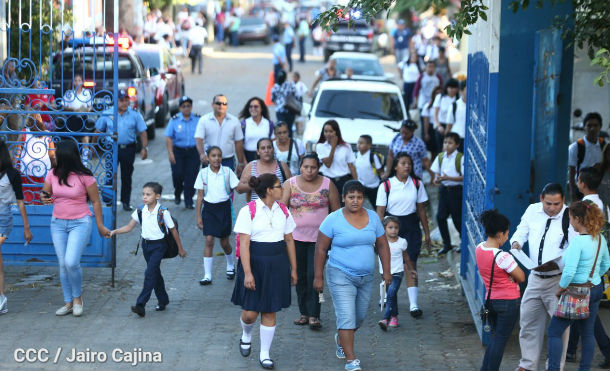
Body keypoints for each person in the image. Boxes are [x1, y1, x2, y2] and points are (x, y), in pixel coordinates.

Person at [313, 180, 392, 371]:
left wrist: (387, 272)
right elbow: (321, 249)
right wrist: (318, 276)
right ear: (343, 198)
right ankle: (351, 360)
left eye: (359, 197)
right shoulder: (333, 219)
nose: (355, 201)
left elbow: (382, 245)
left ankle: (341, 337)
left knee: (360, 317)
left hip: (366, 276)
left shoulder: (373, 218)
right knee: (347, 316)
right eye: (351, 197)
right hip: (340, 274)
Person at [231, 173, 297, 370]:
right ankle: (246, 334)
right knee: (250, 313)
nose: (283, 189)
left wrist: (294, 268)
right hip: (255, 262)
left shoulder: (283, 210)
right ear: (269, 190)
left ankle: (265, 354)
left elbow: (289, 239)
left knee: (270, 309)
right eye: (279, 186)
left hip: (277, 263)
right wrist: (248, 273)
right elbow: (244, 244)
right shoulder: (248, 211)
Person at [40, 141, 111, 317]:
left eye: (57, 153)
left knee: (71, 262)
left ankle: (78, 298)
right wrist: (44, 198)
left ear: (67, 156)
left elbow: (95, 201)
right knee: (63, 264)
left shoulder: (85, 176)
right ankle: (68, 302)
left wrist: (100, 226)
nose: (54, 156)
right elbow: (45, 193)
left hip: (80, 222)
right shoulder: (52, 174)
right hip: (57, 223)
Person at [511, 183, 576, 371]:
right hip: (535, 277)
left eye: (557, 204)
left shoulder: (569, 216)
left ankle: (555, 366)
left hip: (558, 280)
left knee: (560, 328)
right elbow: (521, 231)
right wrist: (516, 242)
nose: (552, 208)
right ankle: (528, 364)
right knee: (528, 321)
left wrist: (560, 263)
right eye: (548, 203)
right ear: (541, 199)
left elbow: (574, 249)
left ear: (563, 200)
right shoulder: (532, 210)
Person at [546, 201, 610, 371]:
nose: (570, 222)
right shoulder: (600, 239)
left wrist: (560, 288)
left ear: (578, 219)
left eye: (571, 219)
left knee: (554, 331)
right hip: (595, 287)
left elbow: (569, 271)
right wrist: (594, 276)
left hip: (576, 291)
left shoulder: (577, 243)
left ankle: (552, 368)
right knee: (587, 333)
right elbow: (606, 264)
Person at [281, 153, 340, 329]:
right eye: (306, 167)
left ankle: (315, 314)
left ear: (318, 168)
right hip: (295, 238)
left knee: (315, 276)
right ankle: (304, 313)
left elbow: (336, 213)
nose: (309, 170)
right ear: (300, 167)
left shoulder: (328, 184)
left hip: (319, 240)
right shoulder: (290, 184)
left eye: (313, 167)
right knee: (299, 276)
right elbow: (282, 209)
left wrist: (336, 237)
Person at [110, 182, 186, 317]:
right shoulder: (140, 210)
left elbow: (173, 230)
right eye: (143, 194)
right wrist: (114, 231)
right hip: (146, 246)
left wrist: (180, 248)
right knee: (154, 273)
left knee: (149, 273)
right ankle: (163, 300)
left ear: (157, 196)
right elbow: (129, 227)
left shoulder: (163, 212)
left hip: (159, 246)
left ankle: (141, 304)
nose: (145, 197)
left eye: (148, 194)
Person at [376, 152, 431, 318]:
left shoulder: (417, 184)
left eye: (409, 163)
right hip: (391, 225)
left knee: (410, 263)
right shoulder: (386, 185)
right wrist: (377, 235)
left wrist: (427, 233)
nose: (407, 166)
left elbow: (421, 209)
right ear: (395, 166)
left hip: (411, 227)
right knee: (388, 263)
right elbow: (380, 212)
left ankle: (414, 305)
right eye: (403, 163)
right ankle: (385, 296)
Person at [566, 166, 610, 367]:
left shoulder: (583, 207)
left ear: (582, 183)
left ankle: (574, 352)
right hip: (596, 270)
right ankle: (571, 351)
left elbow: (577, 239)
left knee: (583, 317)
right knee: (586, 316)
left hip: (583, 271)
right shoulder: (603, 204)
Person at [476, 210, 525, 371]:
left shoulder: (479, 248)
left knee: (495, 337)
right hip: (508, 302)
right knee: (500, 339)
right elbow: (521, 276)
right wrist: (512, 277)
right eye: (506, 234)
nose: (507, 238)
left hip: (490, 300)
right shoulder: (503, 257)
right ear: (499, 234)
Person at [95, 89, 148, 211]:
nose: (124, 103)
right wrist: (93, 147)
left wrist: (145, 148)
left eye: (126, 100)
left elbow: (143, 132)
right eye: (121, 100)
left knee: (126, 175)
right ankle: (108, 201)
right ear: (116, 101)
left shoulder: (135, 114)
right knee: (109, 175)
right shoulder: (107, 113)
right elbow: (97, 131)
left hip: (128, 149)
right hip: (111, 148)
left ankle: (125, 202)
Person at [194, 146, 239, 285]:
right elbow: (200, 196)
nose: (216, 158)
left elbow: (238, 187)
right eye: (213, 155)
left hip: (224, 208)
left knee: (224, 242)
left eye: (219, 155)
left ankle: (230, 265)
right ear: (207, 157)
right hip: (209, 209)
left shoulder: (227, 172)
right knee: (209, 240)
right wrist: (198, 216)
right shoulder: (203, 173)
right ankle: (207, 275)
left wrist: (251, 183)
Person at [0, 140, 33, 314]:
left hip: (3, 220)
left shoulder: (13, 174)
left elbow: (20, 202)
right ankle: (1, 299)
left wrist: (26, 227)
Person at [377, 216, 414, 331]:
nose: (393, 230)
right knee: (392, 296)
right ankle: (394, 317)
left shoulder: (402, 242)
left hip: (397, 273)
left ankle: (385, 319)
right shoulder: (379, 242)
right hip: (384, 273)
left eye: (396, 228)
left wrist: (411, 269)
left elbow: (406, 257)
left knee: (391, 293)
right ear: (384, 229)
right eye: (390, 227)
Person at [194, 94, 246, 174]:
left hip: (228, 160)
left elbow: (238, 142)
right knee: (210, 185)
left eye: (224, 103)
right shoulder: (204, 120)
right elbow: (198, 139)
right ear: (212, 104)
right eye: (218, 103)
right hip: (209, 161)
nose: (221, 105)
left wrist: (241, 162)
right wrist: (201, 154)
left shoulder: (234, 121)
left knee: (227, 185)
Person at [431, 133, 464, 255]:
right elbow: (436, 173)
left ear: (457, 145)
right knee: (440, 217)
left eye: (450, 143)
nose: (447, 145)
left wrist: (447, 177)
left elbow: (463, 177)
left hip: (456, 191)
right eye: (445, 142)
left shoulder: (460, 158)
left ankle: (462, 242)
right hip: (444, 190)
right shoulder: (441, 157)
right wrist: (437, 179)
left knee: (457, 219)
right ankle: (447, 244)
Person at [165, 96, 200, 209]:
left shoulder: (197, 119)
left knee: (191, 176)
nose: (186, 108)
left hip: (193, 152)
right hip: (178, 152)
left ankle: (188, 200)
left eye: (188, 106)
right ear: (180, 108)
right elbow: (169, 137)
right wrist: (171, 153)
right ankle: (177, 191)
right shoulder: (174, 120)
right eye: (183, 106)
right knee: (178, 175)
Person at [316, 120, 357, 203]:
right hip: (328, 180)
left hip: (343, 180)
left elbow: (351, 166)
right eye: (326, 131)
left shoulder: (346, 147)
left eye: (331, 131)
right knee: (328, 205)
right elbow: (328, 164)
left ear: (336, 132)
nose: (328, 134)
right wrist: (333, 147)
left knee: (343, 205)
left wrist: (356, 183)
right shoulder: (320, 146)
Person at [568, 112, 606, 201]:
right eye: (589, 125)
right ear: (584, 127)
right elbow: (572, 172)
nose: (592, 128)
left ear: (600, 127)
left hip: (600, 188)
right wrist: (572, 193)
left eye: (595, 125)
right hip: (582, 189)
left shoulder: (604, 145)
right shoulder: (575, 147)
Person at [238, 97, 274, 163]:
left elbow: (273, 142)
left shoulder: (268, 124)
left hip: (265, 157)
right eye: (251, 107)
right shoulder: (244, 124)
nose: (253, 109)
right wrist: (243, 161)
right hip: (248, 157)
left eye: (256, 106)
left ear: (261, 108)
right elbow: (240, 145)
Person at [61, 74, 93, 144]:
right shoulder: (69, 93)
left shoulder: (86, 92)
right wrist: (73, 109)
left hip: (83, 118)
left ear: (82, 82)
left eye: (79, 80)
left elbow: (90, 106)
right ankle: (76, 154)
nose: (77, 82)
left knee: (85, 137)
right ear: (73, 82)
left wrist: (87, 110)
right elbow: (63, 106)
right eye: (75, 80)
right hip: (72, 118)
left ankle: (85, 154)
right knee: (74, 140)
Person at [432, 78, 459, 154]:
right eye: (450, 88)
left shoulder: (457, 100)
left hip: (452, 127)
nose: (452, 90)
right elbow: (435, 114)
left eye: (454, 88)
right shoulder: (440, 98)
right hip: (441, 126)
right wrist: (438, 126)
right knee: (439, 149)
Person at [354, 134, 383, 207]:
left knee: (375, 205)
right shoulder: (356, 155)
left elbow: (380, 171)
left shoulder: (373, 156)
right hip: (361, 185)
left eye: (361, 143)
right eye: (358, 142)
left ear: (369, 145)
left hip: (373, 186)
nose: (358, 145)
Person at [271, 70, 298, 134]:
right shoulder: (291, 85)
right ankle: (290, 143)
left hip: (280, 111)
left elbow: (272, 99)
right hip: (291, 110)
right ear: (286, 77)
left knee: (282, 129)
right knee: (289, 129)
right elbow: (296, 96)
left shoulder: (275, 87)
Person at [446, 81, 467, 152]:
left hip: (470, 139)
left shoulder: (475, 107)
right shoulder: (455, 105)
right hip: (457, 138)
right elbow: (449, 125)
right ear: (461, 91)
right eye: (467, 89)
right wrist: (446, 142)